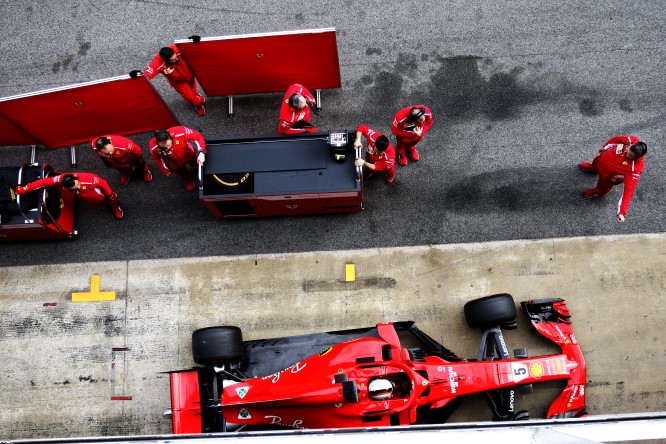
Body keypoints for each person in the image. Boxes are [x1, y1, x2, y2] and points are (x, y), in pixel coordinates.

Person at [579, 135, 647, 224]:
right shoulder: (631, 140)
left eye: (629, 156)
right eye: (627, 149)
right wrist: (605, 147)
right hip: (601, 160)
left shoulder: (635, 169)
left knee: (603, 186)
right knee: (596, 162)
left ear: (636, 158)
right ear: (632, 144)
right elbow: (616, 139)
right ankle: (593, 168)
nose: (625, 153)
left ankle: (599, 191)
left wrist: (622, 212)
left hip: (609, 177)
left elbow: (628, 191)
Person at [14, 172, 123, 219]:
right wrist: (26, 188)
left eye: (78, 184)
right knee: (95, 204)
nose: (77, 187)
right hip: (87, 198)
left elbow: (103, 183)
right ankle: (103, 207)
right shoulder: (61, 179)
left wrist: (110, 195)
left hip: (98, 193)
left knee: (110, 199)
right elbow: (44, 182)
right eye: (74, 188)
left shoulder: (90, 179)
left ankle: (115, 208)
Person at [144, 45, 206, 116]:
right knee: (191, 98)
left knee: (194, 92)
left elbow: (189, 44)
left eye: (176, 56)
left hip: (190, 77)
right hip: (179, 83)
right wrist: (135, 76)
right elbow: (146, 75)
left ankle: (197, 97)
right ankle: (198, 105)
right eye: (173, 60)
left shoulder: (177, 48)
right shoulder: (158, 64)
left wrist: (195, 41)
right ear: (166, 60)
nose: (176, 59)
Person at [149, 126, 206, 191]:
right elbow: (157, 159)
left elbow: (198, 136)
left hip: (189, 154)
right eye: (165, 148)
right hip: (175, 164)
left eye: (169, 146)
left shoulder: (180, 131)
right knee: (183, 173)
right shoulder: (153, 146)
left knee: (197, 164)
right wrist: (165, 170)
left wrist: (202, 152)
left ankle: (198, 169)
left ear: (170, 137)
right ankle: (188, 179)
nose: (168, 148)